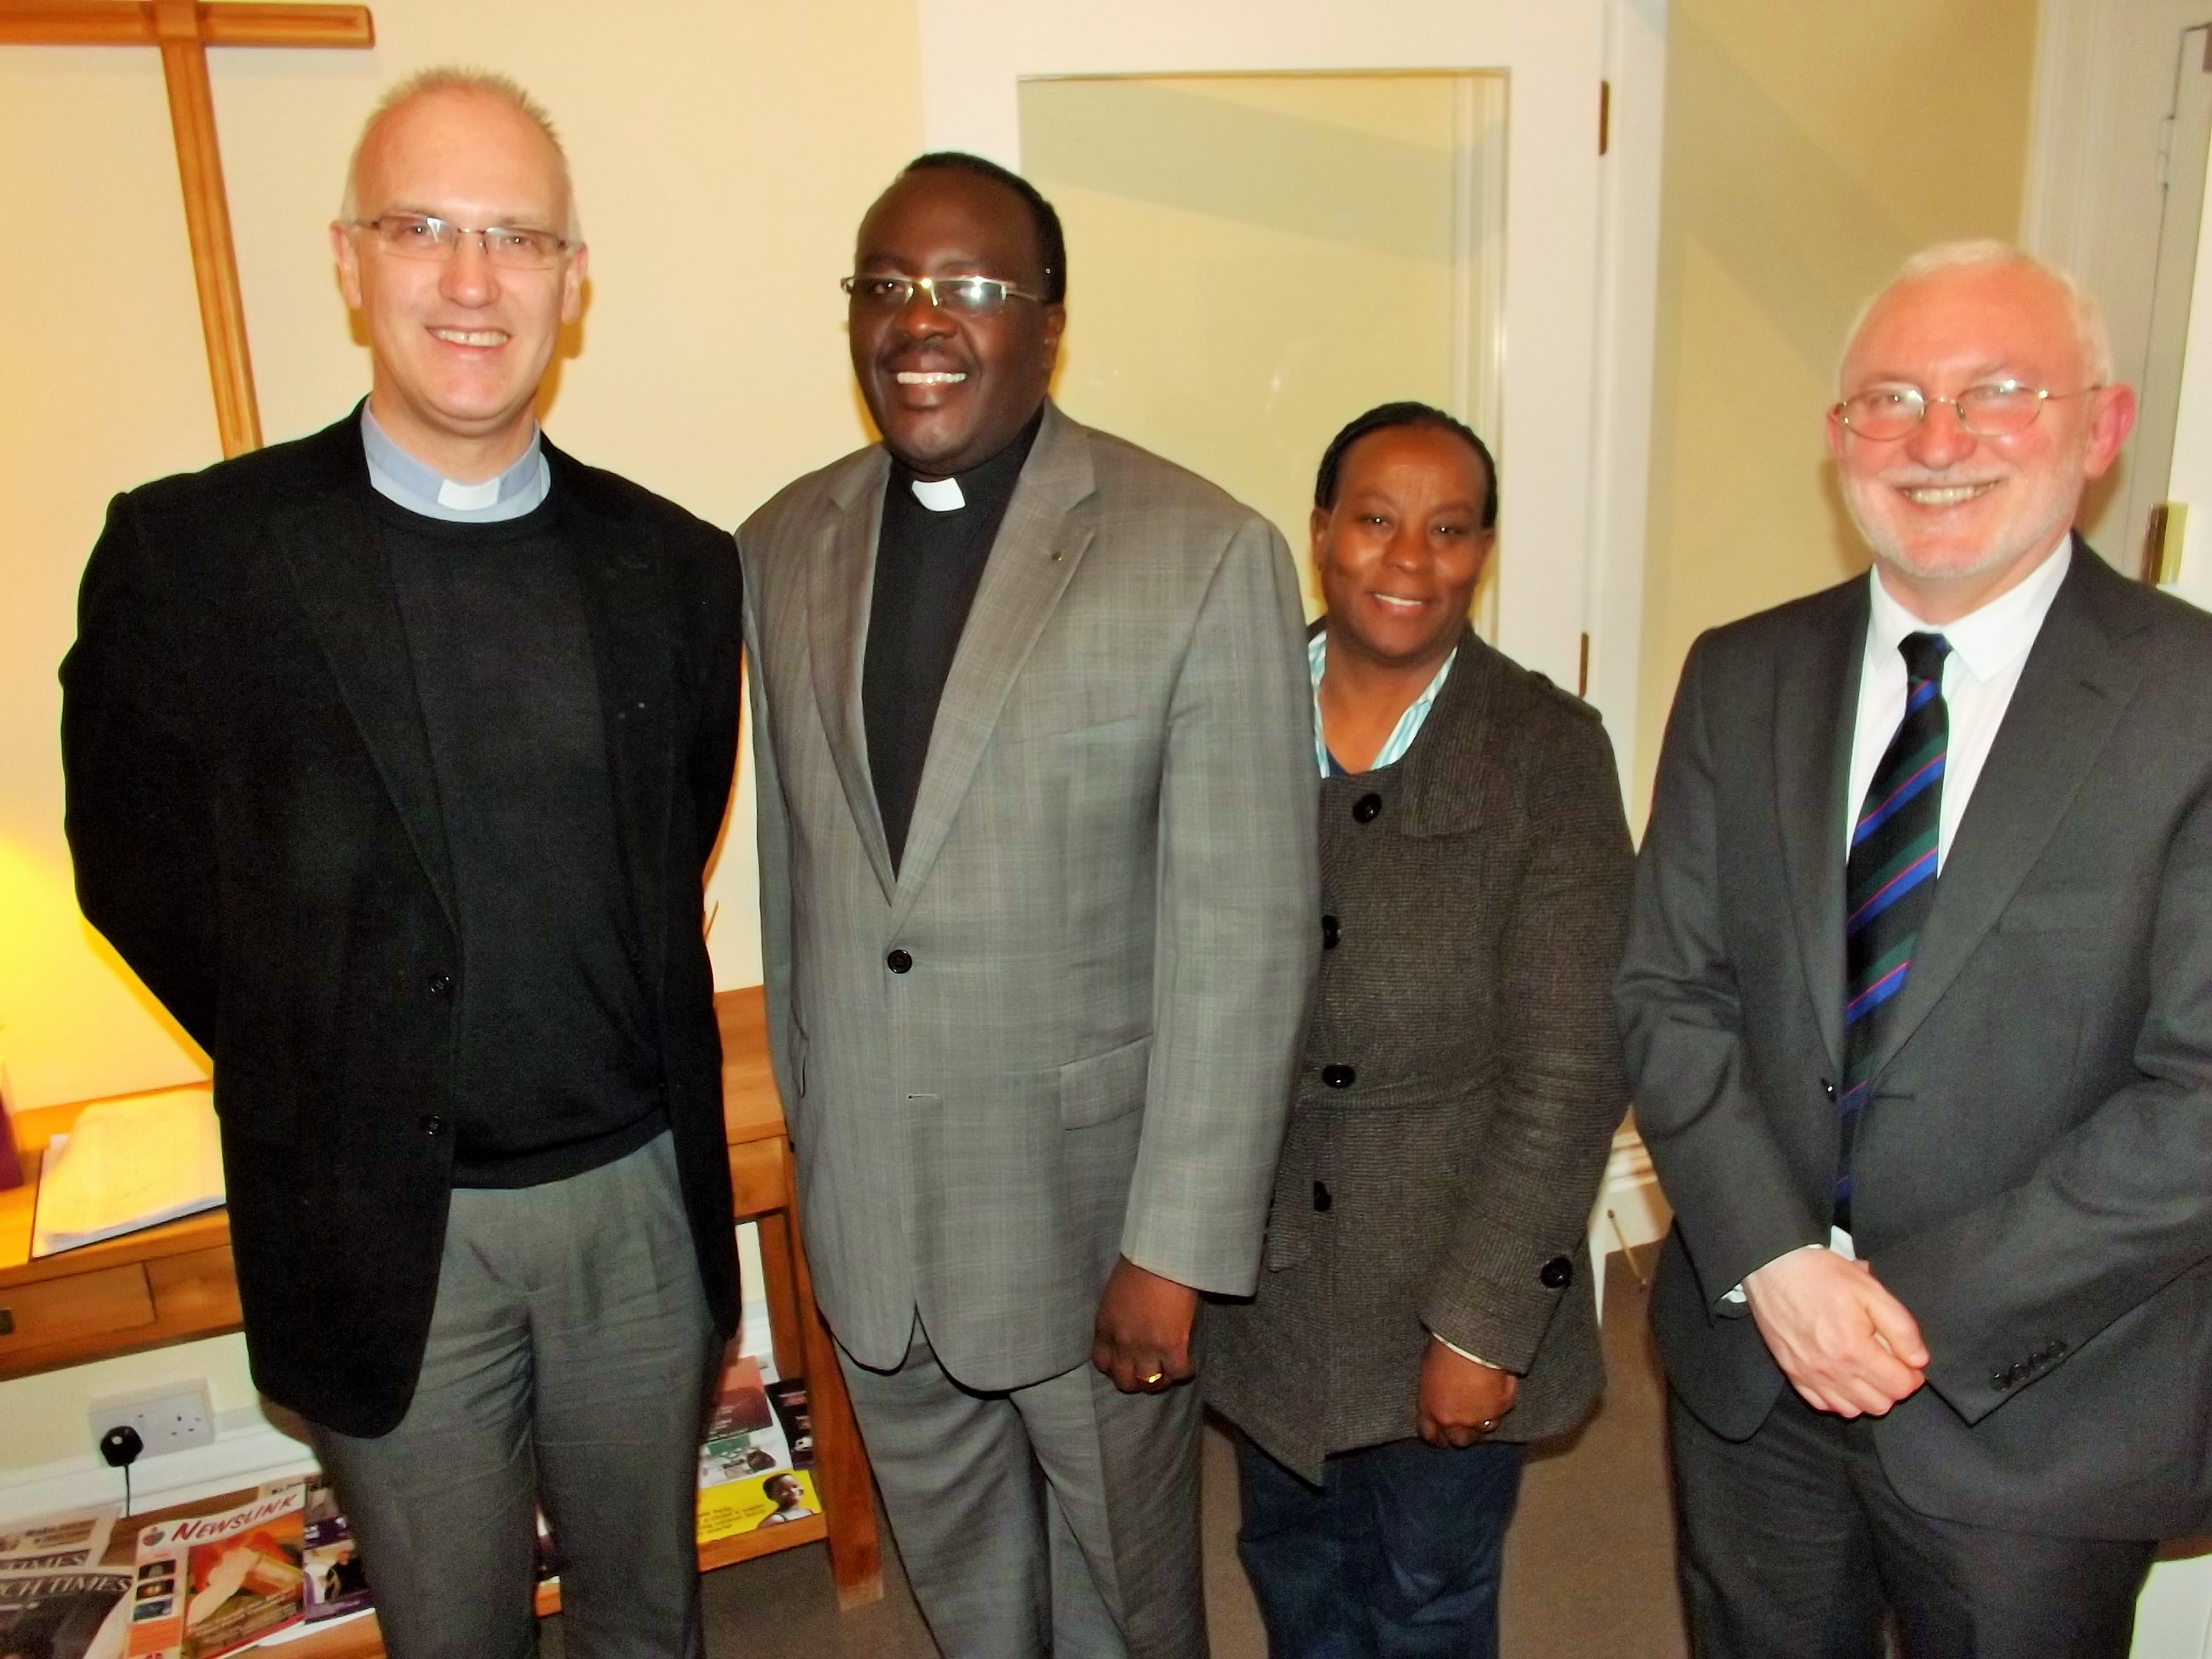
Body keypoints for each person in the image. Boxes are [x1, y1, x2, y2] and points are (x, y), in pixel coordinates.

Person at [60, 70, 741, 1659]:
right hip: (384, 1221)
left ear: (573, 284)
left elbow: (670, 843)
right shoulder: (194, 558)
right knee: (455, 1637)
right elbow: (133, 868)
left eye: (516, 237)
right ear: (349, 257)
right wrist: (326, 1052)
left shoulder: (680, 569)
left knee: (653, 1622)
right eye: (422, 227)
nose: (469, 278)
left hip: (637, 1208)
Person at [739, 152, 1317, 1657]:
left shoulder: (1200, 555)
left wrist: (1175, 1250)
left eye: (974, 288)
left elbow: (1242, 944)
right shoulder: (778, 546)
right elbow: (803, 889)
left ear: (1049, 322)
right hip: (875, 1233)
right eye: (886, 285)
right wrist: (818, 1164)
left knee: (1127, 1607)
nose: (921, 321)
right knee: (974, 1609)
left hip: (1090, 1238)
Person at [1618, 240, 2212, 1657]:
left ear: (2104, 426)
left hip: (2042, 1405)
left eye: (1997, 392)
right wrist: (1777, 1265)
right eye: (1888, 402)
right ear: (1839, 445)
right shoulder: (1738, 672)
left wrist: (1893, 1311)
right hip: (1750, 1377)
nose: (1936, 443)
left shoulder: (2192, 703)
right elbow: (1665, 993)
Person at [1206, 403, 1635, 1658]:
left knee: (1427, 1596)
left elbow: (1570, 1070)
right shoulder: (1220, 710)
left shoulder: (1547, 750)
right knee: (1291, 1568)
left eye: (1449, 532)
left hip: (1447, 1273)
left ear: (1482, 551)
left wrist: (1482, 1328)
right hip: (1269, 1281)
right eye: (1378, 521)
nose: (1409, 560)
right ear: (1322, 529)